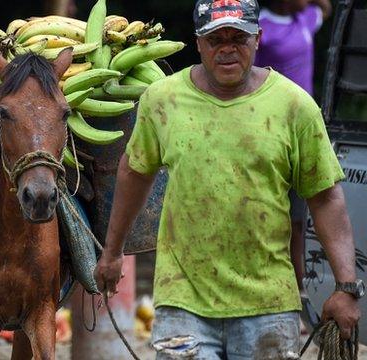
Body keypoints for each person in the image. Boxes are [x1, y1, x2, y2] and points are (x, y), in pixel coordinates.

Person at [93, 0, 362, 357]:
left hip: (268, 305)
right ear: (199, 43)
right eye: (216, 39)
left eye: (238, 37)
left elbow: (325, 197)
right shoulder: (163, 100)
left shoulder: (294, 106)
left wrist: (345, 286)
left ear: (258, 39)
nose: (227, 48)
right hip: (183, 302)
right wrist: (112, 254)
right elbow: (134, 172)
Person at [254, 0, 332, 302]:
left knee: (301, 216)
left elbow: (325, 8)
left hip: (305, 131)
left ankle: (301, 290)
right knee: (278, 215)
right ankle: (283, 286)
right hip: (270, 129)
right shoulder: (262, 27)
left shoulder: (307, 19)